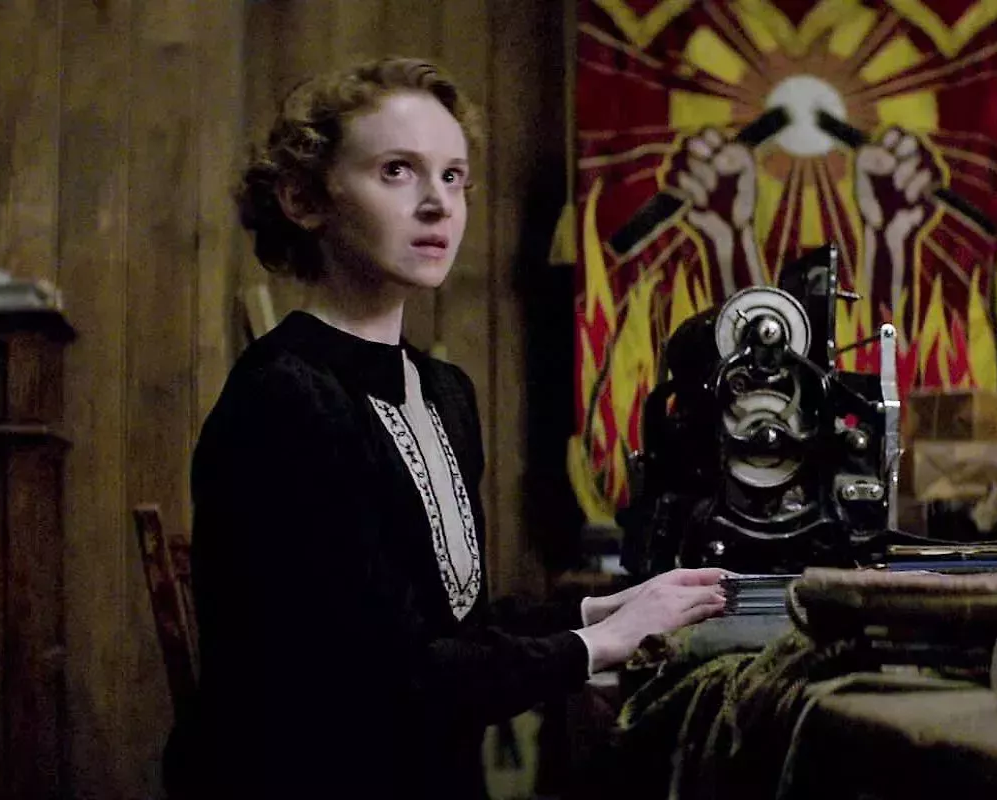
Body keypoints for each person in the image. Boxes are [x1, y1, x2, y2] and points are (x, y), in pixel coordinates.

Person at [180, 56, 729, 798]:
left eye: (453, 176)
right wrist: (594, 646)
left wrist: (599, 610)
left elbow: (447, 627)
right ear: (304, 198)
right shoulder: (283, 398)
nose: (438, 204)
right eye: (397, 171)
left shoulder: (444, 392)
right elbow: (386, 679)